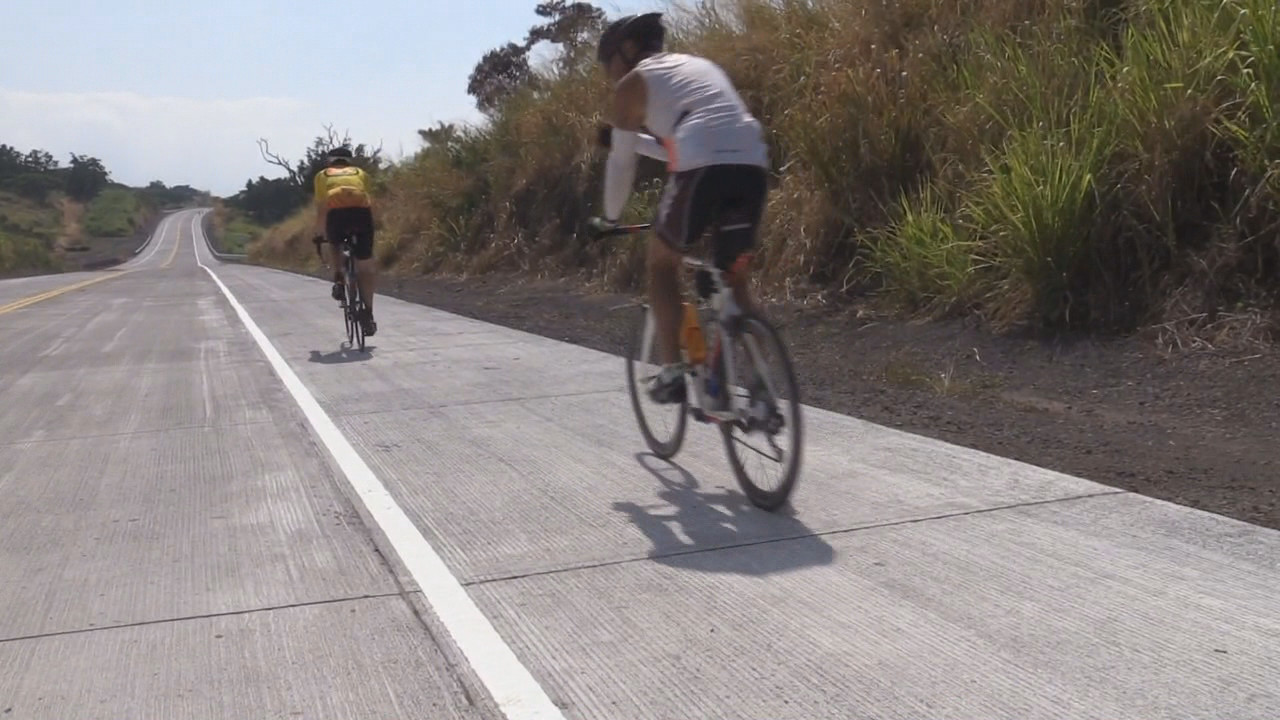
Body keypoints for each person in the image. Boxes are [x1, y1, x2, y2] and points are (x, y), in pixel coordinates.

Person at [588, 12, 771, 405]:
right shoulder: (697, 67)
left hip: (702, 165)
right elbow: (681, 142)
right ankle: (763, 391)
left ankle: (671, 372)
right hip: (752, 161)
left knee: (661, 264)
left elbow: (621, 166)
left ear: (628, 51)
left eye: (609, 62)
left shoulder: (632, 84)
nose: (609, 73)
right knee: (735, 281)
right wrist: (635, 139)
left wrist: (610, 218)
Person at [312, 146, 377, 336]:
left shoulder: (322, 175)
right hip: (362, 215)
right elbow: (368, 199)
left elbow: (322, 205)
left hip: (336, 216)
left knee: (335, 244)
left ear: (330, 161)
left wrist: (318, 231)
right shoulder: (360, 173)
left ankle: (339, 279)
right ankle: (368, 313)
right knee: (365, 265)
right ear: (349, 162)